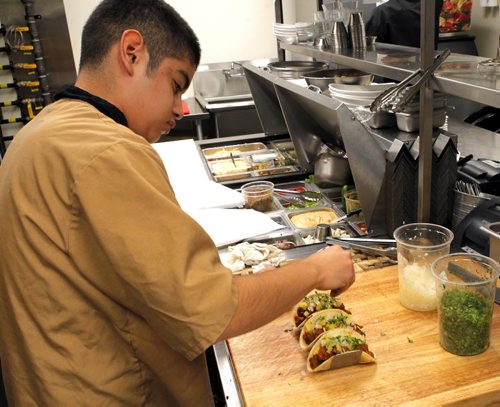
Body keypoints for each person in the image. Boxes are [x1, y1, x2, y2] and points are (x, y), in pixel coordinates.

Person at [0, 0, 354, 405]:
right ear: (132, 52)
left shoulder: (39, 133)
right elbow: (213, 311)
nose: (179, 109)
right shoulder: (107, 151)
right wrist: (315, 270)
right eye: (175, 84)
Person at [365, 0, 444, 49]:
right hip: (428, 69)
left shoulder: (383, 12)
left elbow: (368, 46)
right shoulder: (434, 3)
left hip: (396, 72)